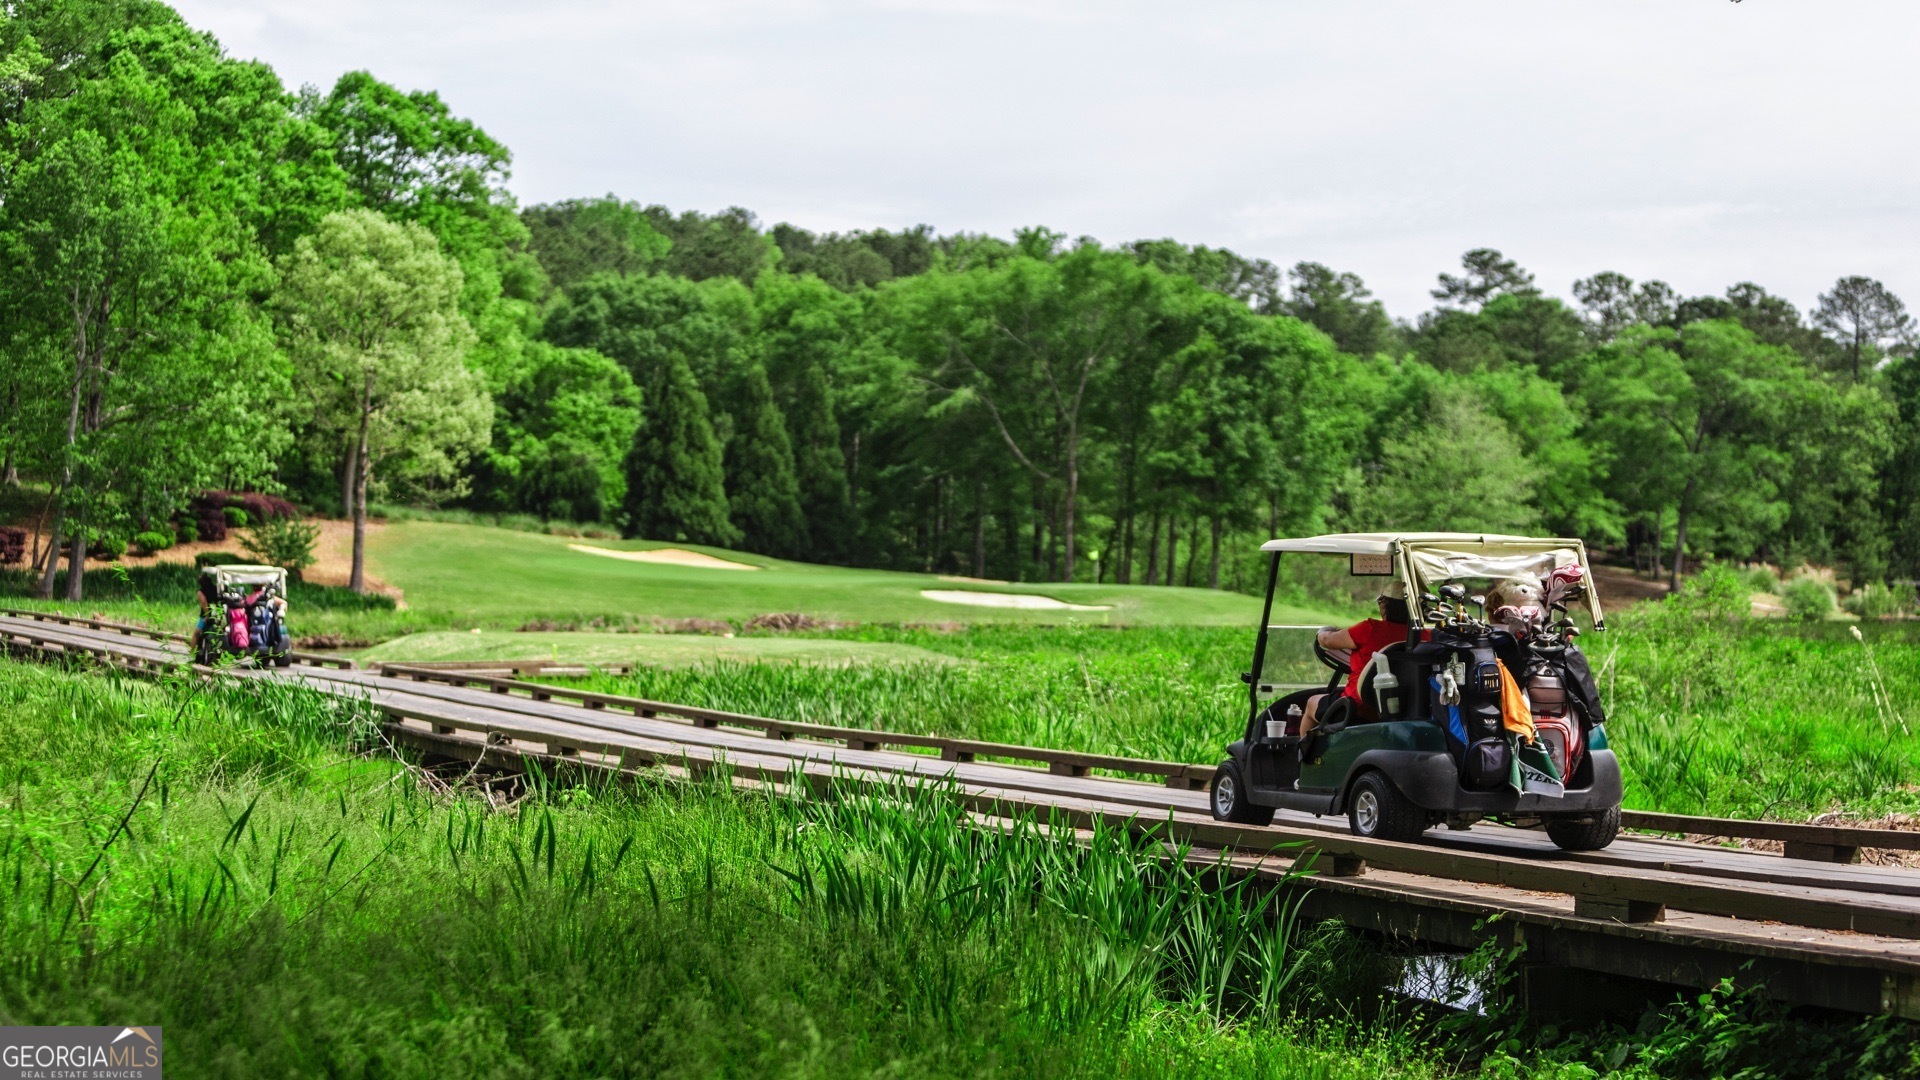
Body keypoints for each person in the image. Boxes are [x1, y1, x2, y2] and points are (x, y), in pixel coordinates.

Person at [1299, 580, 1414, 736]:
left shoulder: (1370, 629)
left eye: (1381, 601)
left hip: (1356, 709)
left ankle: (1304, 750)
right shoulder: (1424, 635)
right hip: (1402, 710)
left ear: (1384, 605)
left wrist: (1323, 632)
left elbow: (1327, 641)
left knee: (1312, 703)